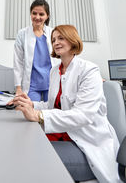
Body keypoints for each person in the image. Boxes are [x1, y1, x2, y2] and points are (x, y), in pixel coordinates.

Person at [12, 25, 120, 183]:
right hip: (63, 134)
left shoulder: (89, 70)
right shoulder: (55, 71)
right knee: (20, 142)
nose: (56, 42)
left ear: (72, 40)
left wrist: (38, 115)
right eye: (54, 39)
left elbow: (82, 115)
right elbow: (52, 106)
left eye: (61, 38)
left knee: (29, 157)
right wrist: (31, 104)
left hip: (86, 145)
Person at [13, 0, 57, 101]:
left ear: (47, 16)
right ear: (30, 14)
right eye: (34, 13)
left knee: (51, 113)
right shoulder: (22, 34)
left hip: (51, 83)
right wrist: (18, 88)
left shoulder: (53, 33)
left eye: (41, 14)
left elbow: (66, 55)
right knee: (30, 113)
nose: (37, 17)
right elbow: (18, 62)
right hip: (32, 85)